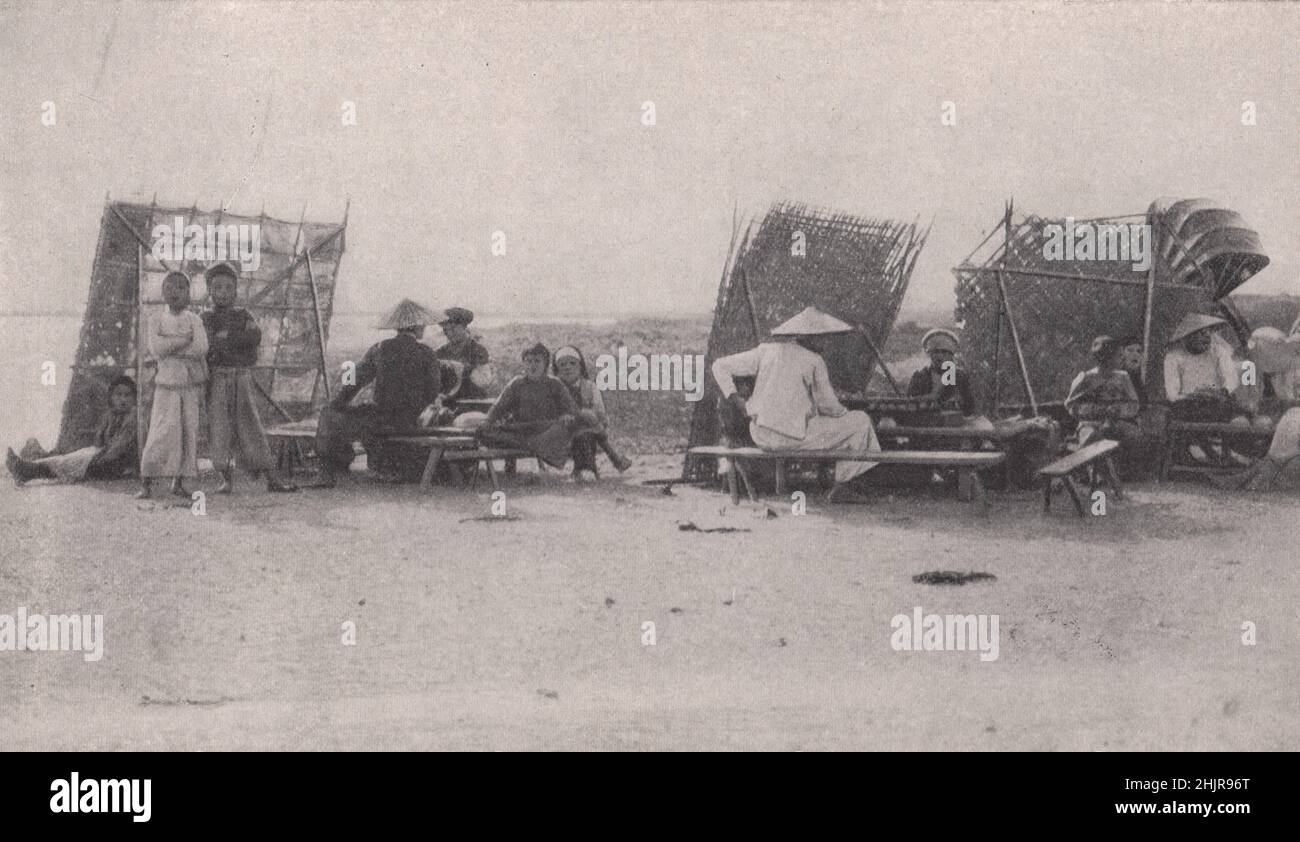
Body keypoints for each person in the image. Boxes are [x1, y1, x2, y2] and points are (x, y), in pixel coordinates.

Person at [711, 306, 881, 503]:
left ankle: (844, 483)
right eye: (822, 337)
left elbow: (719, 365)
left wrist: (736, 399)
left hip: (761, 434)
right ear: (809, 337)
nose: (826, 342)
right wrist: (846, 413)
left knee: (821, 423)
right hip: (792, 439)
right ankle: (843, 485)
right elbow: (830, 408)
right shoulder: (815, 361)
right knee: (860, 422)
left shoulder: (767, 351)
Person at [313, 298, 442, 485]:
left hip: (382, 417)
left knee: (330, 413)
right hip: (413, 420)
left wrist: (339, 403)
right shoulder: (427, 353)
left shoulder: (379, 349)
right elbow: (433, 390)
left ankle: (327, 471)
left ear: (397, 326)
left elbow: (354, 381)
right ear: (418, 326)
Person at [201, 263, 297, 493]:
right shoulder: (205, 318)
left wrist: (229, 338)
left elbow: (254, 337)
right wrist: (221, 343)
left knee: (250, 424)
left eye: (228, 288)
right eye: (217, 288)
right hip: (217, 379)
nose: (222, 293)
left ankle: (272, 478)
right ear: (210, 292)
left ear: (235, 291)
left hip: (241, 376)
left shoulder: (243, 316)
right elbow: (206, 344)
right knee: (220, 427)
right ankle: (226, 479)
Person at [138, 271, 208, 499]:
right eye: (169, 288)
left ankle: (179, 483)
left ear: (189, 293)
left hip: (188, 386)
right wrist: (183, 341)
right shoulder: (155, 319)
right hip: (165, 386)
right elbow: (156, 348)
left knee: (187, 433)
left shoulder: (195, 320)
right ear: (163, 292)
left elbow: (200, 348)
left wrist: (172, 348)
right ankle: (147, 483)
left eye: (181, 288)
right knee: (160, 432)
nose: (175, 292)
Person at [7, 375, 138, 485]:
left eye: (127, 395)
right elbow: (99, 441)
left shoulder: (132, 417)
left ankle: (26, 470)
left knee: (69, 462)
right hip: (104, 456)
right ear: (111, 397)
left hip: (117, 464)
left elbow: (119, 448)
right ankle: (26, 469)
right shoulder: (112, 415)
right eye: (118, 395)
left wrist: (96, 458)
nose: (123, 400)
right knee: (67, 460)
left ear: (133, 398)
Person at [1214, 327, 1300, 491]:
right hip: (1254, 412)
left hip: (1282, 413)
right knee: (1277, 423)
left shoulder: (1283, 367)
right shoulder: (1248, 368)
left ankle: (1261, 472)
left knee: (1287, 422)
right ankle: (1260, 469)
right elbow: (1247, 399)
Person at [480, 343, 580, 468]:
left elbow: (573, 410)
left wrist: (567, 416)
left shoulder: (555, 384)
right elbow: (498, 408)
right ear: (524, 364)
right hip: (520, 430)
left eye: (537, 361)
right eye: (529, 361)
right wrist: (487, 422)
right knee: (483, 432)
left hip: (545, 429)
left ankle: (534, 445)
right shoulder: (517, 384)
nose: (532, 365)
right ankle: (533, 445)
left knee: (563, 427)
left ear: (546, 365)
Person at [552, 344, 632, 477]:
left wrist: (591, 416)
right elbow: (552, 409)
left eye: (572, 363)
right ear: (557, 369)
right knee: (585, 427)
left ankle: (586, 468)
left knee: (585, 431)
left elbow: (599, 409)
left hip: (588, 425)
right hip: (565, 428)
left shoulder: (589, 386)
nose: (568, 367)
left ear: (580, 366)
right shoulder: (555, 388)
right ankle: (615, 459)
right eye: (562, 364)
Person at [1064, 336, 1143, 469]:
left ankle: (1122, 471)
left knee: (1133, 434)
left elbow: (1134, 403)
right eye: (1118, 356)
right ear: (1106, 358)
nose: (1122, 358)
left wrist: (1119, 410)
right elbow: (1071, 404)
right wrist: (1095, 410)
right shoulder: (1086, 378)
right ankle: (1091, 471)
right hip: (1091, 423)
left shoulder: (1123, 378)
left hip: (1117, 421)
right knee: (1092, 436)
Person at [1163, 313, 1241, 421]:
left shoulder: (1218, 352)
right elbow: (1171, 393)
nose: (1207, 336)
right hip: (1187, 408)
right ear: (1189, 336)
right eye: (1201, 333)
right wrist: (1194, 396)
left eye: (1208, 331)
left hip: (1216, 404)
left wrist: (1222, 391)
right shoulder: (1174, 356)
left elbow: (1231, 377)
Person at [906, 328, 977, 420]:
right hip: (925, 423)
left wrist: (957, 403)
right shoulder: (919, 376)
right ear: (929, 354)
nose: (940, 356)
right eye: (935, 352)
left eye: (944, 352)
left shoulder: (959, 376)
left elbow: (970, 408)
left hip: (954, 426)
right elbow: (909, 406)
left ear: (951, 355)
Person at [435, 307, 493, 400]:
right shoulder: (440, 352)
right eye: (446, 330)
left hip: (472, 402)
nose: (450, 333)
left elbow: (484, 382)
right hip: (446, 402)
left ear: (464, 327)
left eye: (453, 329)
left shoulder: (477, 350)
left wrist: (463, 369)